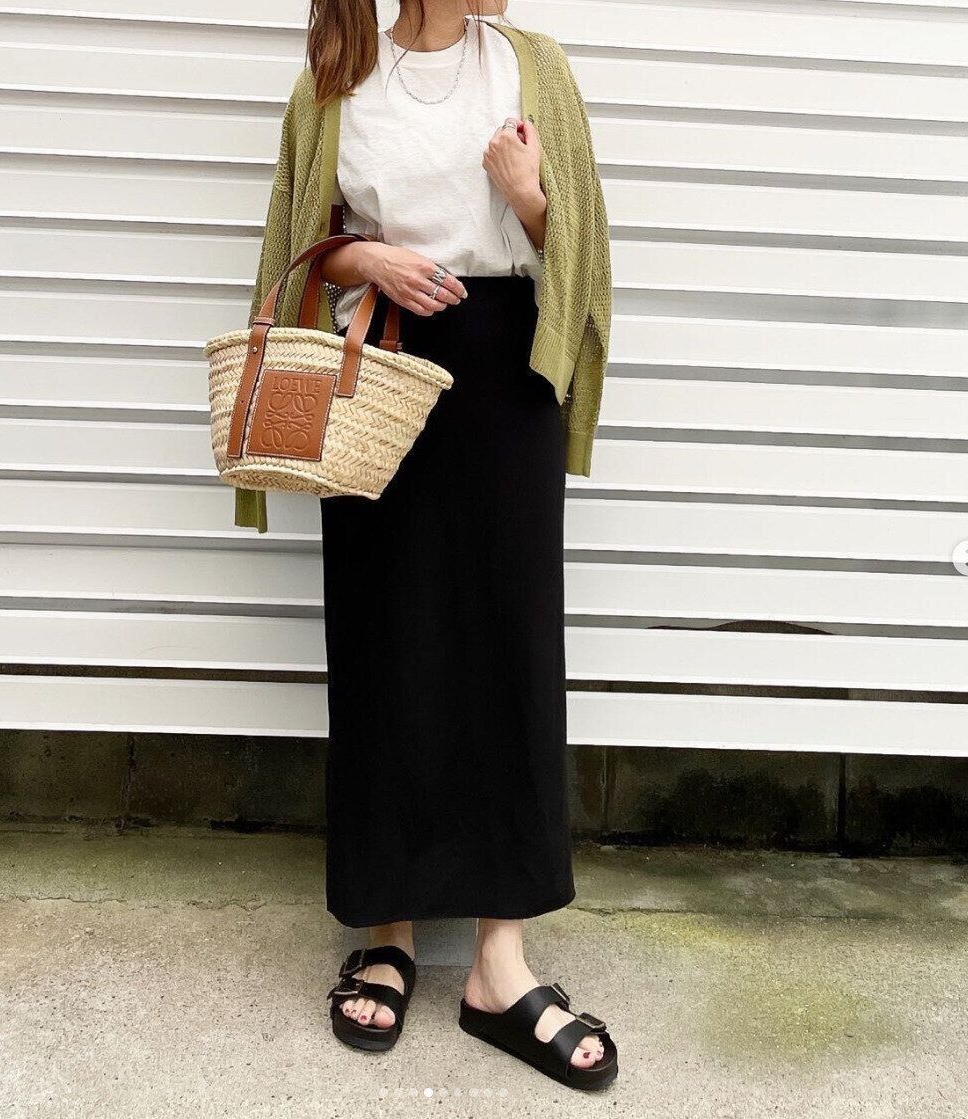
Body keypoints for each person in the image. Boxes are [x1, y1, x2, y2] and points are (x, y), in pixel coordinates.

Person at [246, 0, 615, 1091]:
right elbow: (296, 238)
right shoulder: (334, 78)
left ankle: (501, 962)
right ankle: (388, 929)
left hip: (507, 371)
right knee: (383, 642)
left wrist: (527, 196)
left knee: (509, 646)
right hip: (381, 363)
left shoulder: (533, 67)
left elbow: (586, 249)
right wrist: (367, 256)